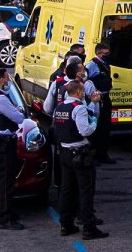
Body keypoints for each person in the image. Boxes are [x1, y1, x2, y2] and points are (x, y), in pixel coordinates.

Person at [53, 79, 108, 240]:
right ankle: (89, 228)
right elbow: (85, 130)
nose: (83, 93)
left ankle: (66, 224)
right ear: (78, 92)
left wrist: (92, 105)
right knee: (86, 190)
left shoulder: (60, 107)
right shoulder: (79, 108)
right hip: (80, 154)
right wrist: (95, 122)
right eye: (82, 91)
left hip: (64, 152)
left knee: (66, 190)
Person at [0, 68, 26, 230]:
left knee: (6, 178)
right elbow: (19, 117)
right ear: (1, 80)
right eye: (7, 78)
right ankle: (5, 217)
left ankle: (8, 212)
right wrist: (18, 111)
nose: (9, 80)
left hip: (1, 140)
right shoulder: (0, 99)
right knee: (5, 180)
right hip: (3, 142)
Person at [84, 42, 115, 164]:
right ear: (98, 53)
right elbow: (85, 81)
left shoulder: (105, 64)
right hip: (97, 98)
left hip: (106, 96)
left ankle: (103, 154)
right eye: (105, 54)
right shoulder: (92, 65)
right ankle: (94, 154)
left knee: (105, 127)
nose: (107, 56)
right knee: (97, 126)